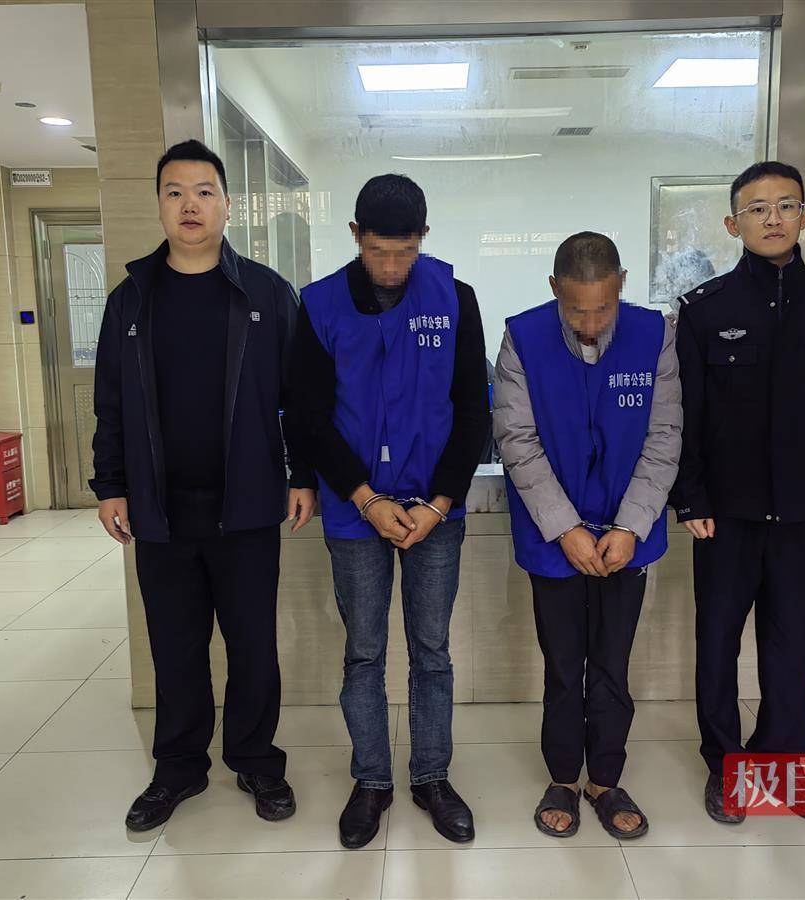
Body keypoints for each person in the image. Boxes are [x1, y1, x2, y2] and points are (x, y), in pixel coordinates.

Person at [90, 139, 317, 832]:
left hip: (246, 504)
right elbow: (109, 402)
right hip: (160, 508)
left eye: (204, 191)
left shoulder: (266, 294)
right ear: (159, 204)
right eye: (175, 192)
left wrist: (302, 474)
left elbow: (301, 396)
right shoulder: (131, 300)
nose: (189, 205)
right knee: (175, 644)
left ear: (226, 204)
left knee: (252, 644)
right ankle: (179, 766)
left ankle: (255, 759)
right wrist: (110, 484)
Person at [671, 161, 805, 824]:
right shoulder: (706, 311)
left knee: (793, 649)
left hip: (804, 513)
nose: (773, 218)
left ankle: (785, 766)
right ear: (733, 224)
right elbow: (687, 415)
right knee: (718, 645)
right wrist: (691, 497)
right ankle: (726, 766)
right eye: (757, 209)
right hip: (726, 517)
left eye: (786, 205)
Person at [288, 174, 490, 849]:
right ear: (355, 236)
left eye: (406, 251)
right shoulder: (319, 305)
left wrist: (439, 502)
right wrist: (366, 499)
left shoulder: (456, 299)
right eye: (379, 251)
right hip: (356, 512)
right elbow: (308, 419)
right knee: (365, 653)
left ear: (423, 238)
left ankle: (432, 776)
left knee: (432, 651)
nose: (393, 266)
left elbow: (473, 412)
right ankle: (372, 780)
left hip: (435, 513)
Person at [494, 232, 682, 840]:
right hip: (555, 537)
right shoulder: (523, 337)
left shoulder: (655, 335)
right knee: (561, 663)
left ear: (621, 284)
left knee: (611, 662)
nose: (591, 323)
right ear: (554, 290)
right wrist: (566, 528)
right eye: (576, 310)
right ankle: (562, 777)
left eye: (603, 308)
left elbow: (664, 437)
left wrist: (630, 526)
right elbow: (518, 441)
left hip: (629, 535)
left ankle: (605, 778)